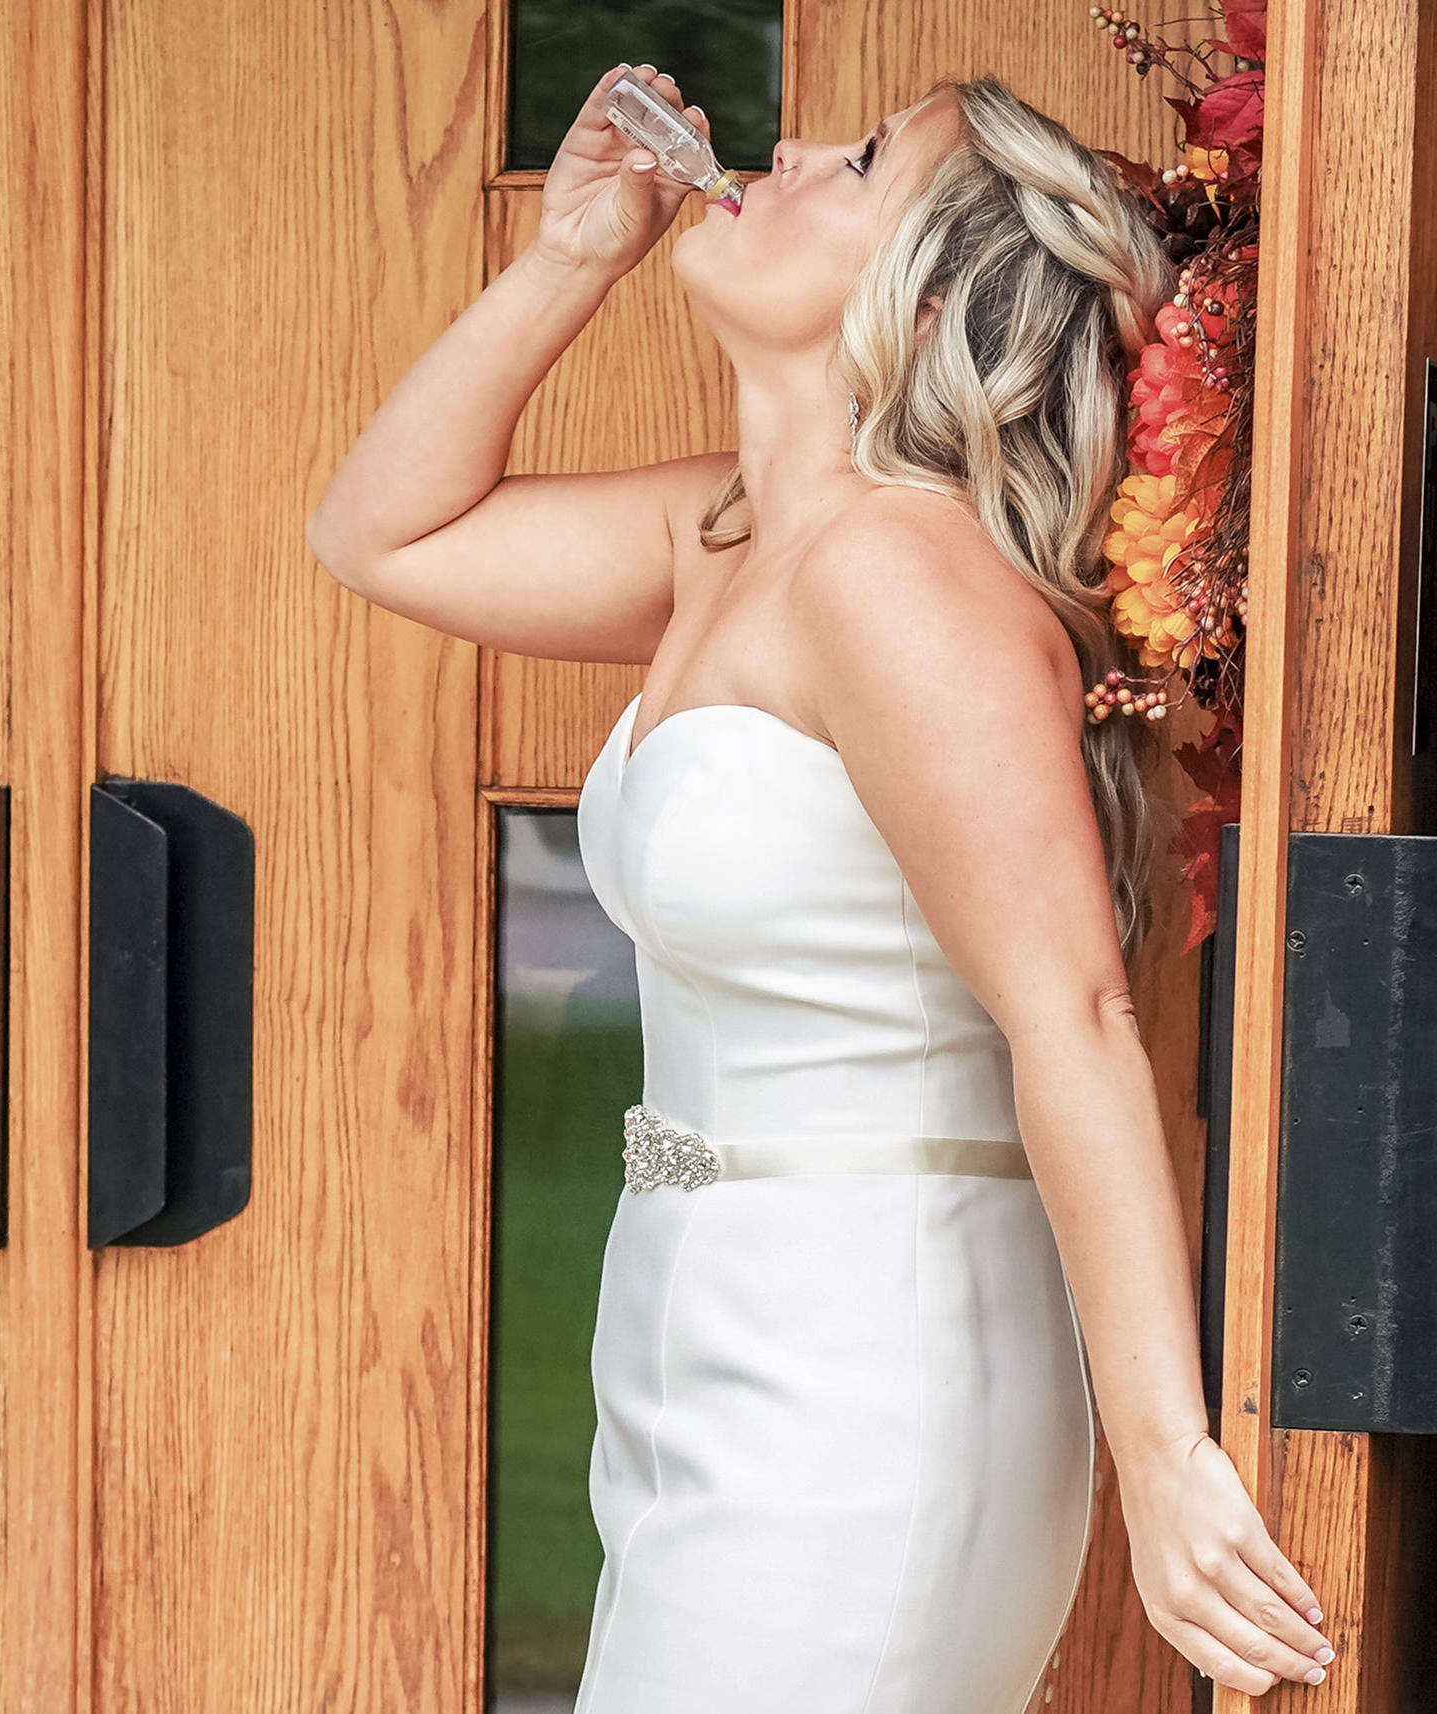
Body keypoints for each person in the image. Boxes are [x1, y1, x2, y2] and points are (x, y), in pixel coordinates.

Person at [306, 64, 1333, 1711]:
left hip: (865, 1383)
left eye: (854, 162)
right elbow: (385, 533)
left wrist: (1167, 1457)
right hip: (701, 1339)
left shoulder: (898, 579)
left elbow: (1070, 1005)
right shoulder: (735, 535)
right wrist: (574, 253)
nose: (780, 150)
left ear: (921, 304)